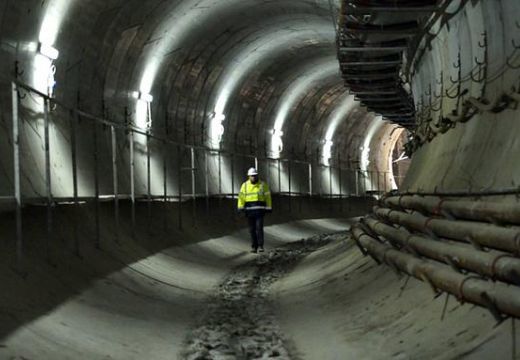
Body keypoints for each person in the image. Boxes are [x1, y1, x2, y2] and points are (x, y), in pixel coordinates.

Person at [237, 167, 272, 253]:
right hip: (249, 212)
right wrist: (240, 207)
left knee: (259, 228)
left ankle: (260, 246)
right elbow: (241, 197)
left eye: (255, 175)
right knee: (252, 230)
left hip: (260, 212)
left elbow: (268, 197)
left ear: (257, 175)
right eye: (252, 176)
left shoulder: (263, 185)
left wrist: (269, 207)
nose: (253, 177)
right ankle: (254, 247)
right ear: (248, 177)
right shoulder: (244, 186)